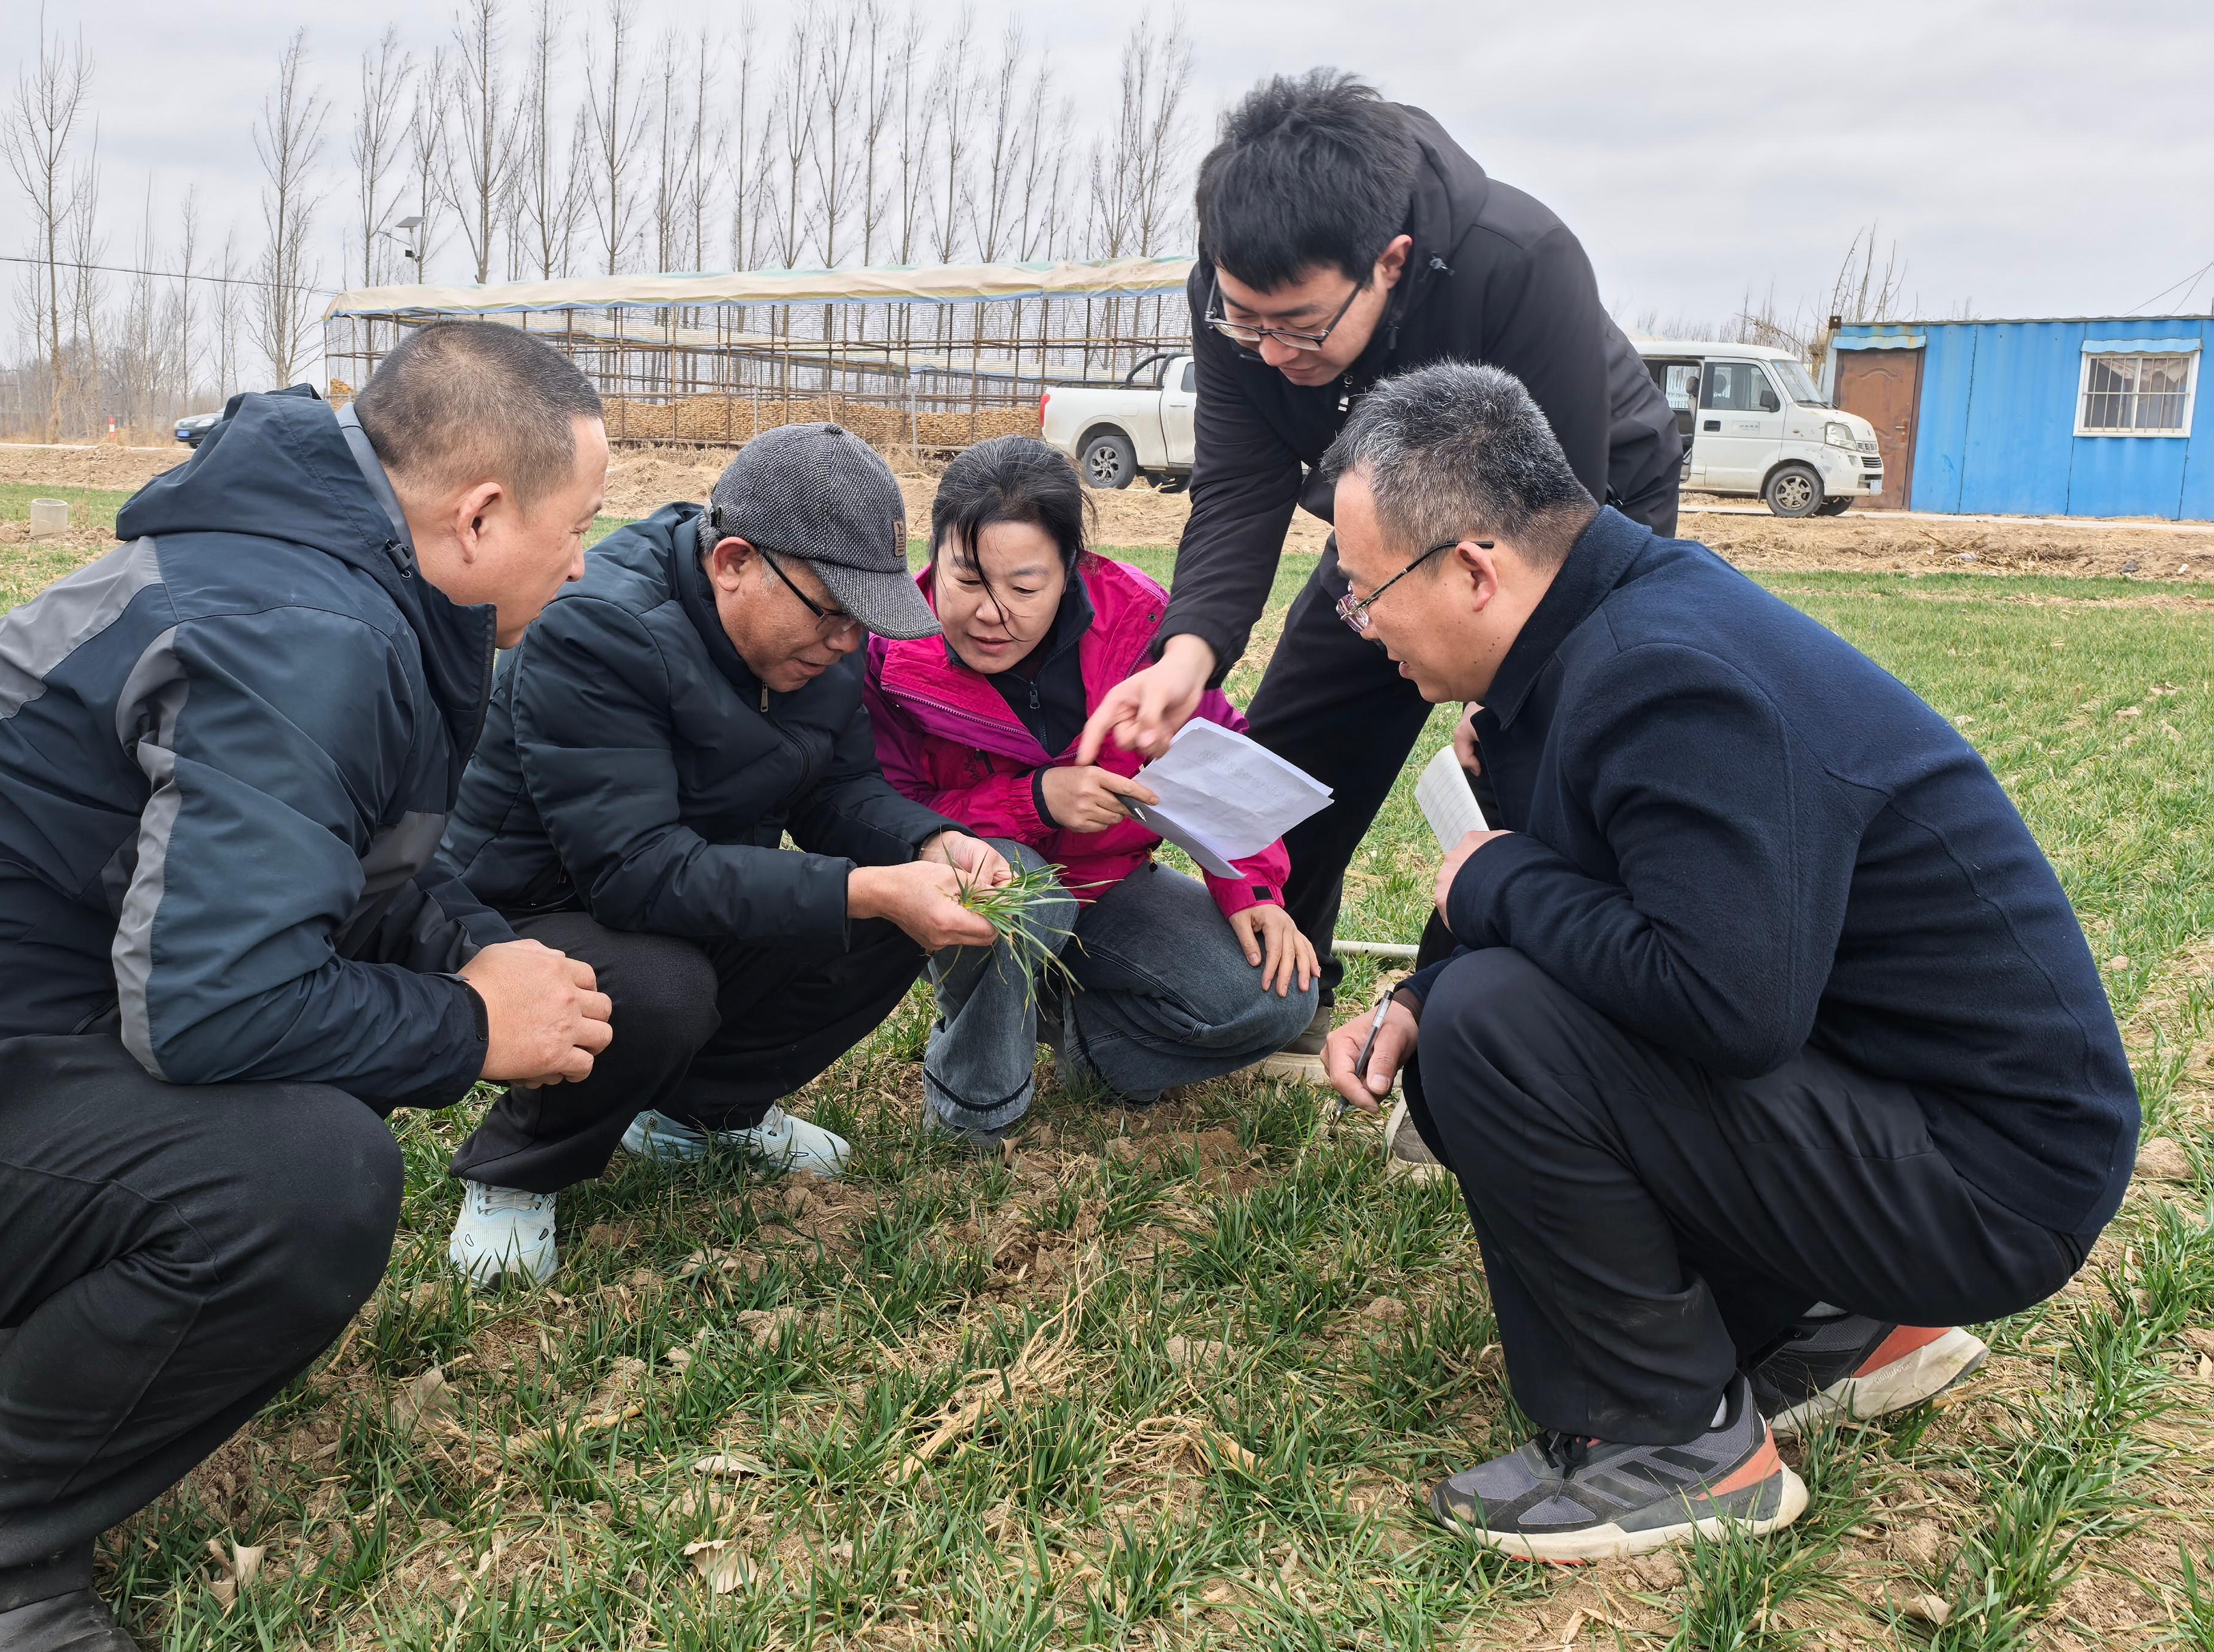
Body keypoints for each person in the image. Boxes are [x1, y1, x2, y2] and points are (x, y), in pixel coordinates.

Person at [0, 322, 617, 1649]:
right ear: (480, 517)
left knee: (287, 1133)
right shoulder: (300, 628)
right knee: (305, 1176)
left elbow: (335, 865)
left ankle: (70, 1349)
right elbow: (212, 1004)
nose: (583, 560)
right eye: (580, 523)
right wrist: (472, 1024)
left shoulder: (311, 579)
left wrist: (470, 949)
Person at [1319, 362, 2137, 1561]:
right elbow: (1630, 913)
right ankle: (1836, 1326)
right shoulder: (1594, 640)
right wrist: (1417, 993)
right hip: (1909, 1110)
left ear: (1472, 569)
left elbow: (1724, 1003)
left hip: (1992, 1183)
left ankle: (1673, 1440)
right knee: (1465, 1014)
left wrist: (1486, 890)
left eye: (1360, 594)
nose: (1360, 626)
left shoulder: (1663, 672)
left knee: (1496, 1024)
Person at [1075, 71, 1684, 1083]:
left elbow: (1555, 527)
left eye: (1302, 327)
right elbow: (1237, 485)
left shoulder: (1519, 264)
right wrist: (1187, 657)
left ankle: (1468, 1046)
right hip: (1385, 513)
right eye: (1245, 323)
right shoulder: (1238, 298)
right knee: (1288, 749)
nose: (1269, 352)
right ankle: (1279, 1004)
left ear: (1389, 264)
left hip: (1578, 500)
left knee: (1531, 768)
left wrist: (1509, 687)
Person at [436, 422, 1012, 1284]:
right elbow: (636, 873)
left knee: (903, 916)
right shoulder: (601, 631)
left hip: (685, 883)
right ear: (733, 559)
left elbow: (834, 792)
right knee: (660, 988)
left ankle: (700, 1113)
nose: (848, 643)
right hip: (530, 905)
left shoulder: (822, 645)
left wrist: (925, 842)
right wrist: (867, 885)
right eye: (830, 611)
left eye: (864, 618)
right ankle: (517, 1169)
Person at [864, 436, 1318, 1149]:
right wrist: (1036, 800)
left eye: (1023, 587)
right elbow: (886, 810)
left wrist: (1253, 889)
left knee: (1277, 1000)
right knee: (1023, 890)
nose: (991, 612)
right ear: (934, 555)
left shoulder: (1139, 623)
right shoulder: (894, 655)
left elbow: (1215, 758)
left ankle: (1081, 1037)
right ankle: (972, 1114)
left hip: (1111, 889)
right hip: (991, 884)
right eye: (968, 579)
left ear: (1068, 569)